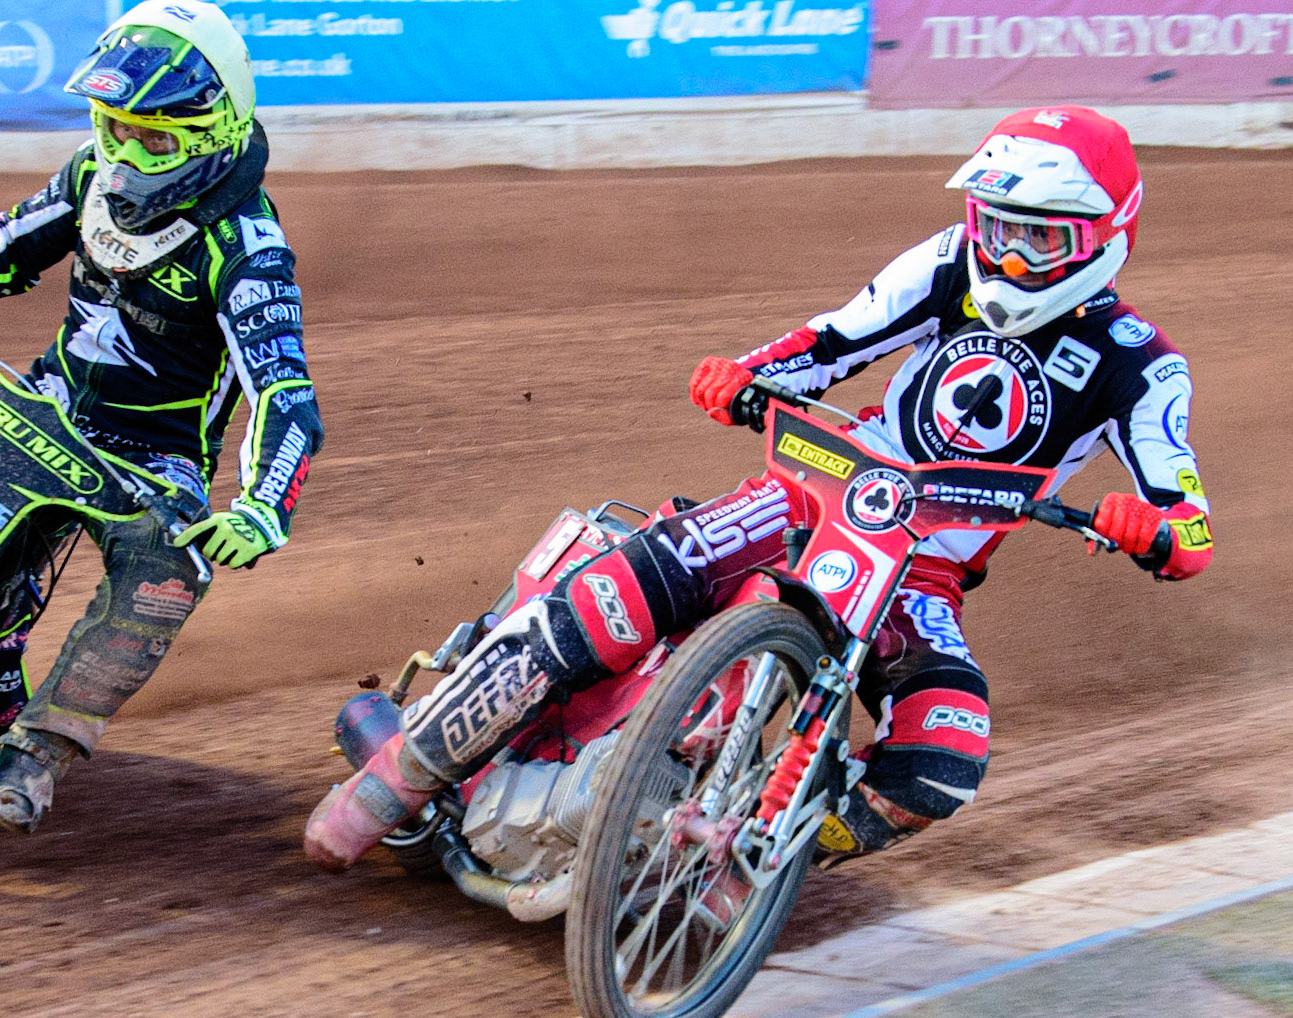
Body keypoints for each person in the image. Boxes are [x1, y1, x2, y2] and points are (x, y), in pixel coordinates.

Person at [304, 105, 1209, 873]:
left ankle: (753, 859)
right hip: (827, 488)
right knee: (621, 588)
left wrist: (1155, 532)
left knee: (942, 757)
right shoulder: (945, 262)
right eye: (993, 227)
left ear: (1103, 236)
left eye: (1036, 238)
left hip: (921, 572)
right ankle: (399, 776)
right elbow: (832, 340)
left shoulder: (1143, 367)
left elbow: (1187, 519)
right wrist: (746, 375)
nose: (1006, 257)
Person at [0, 0, 322, 834]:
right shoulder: (90, 175)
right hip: (43, 405)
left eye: (152, 139)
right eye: (112, 129)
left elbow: (284, 395)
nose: (125, 155)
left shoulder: (245, 249)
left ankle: (37, 752)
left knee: (166, 579)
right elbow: (12, 238)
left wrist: (263, 504)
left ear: (213, 131)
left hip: (152, 463)